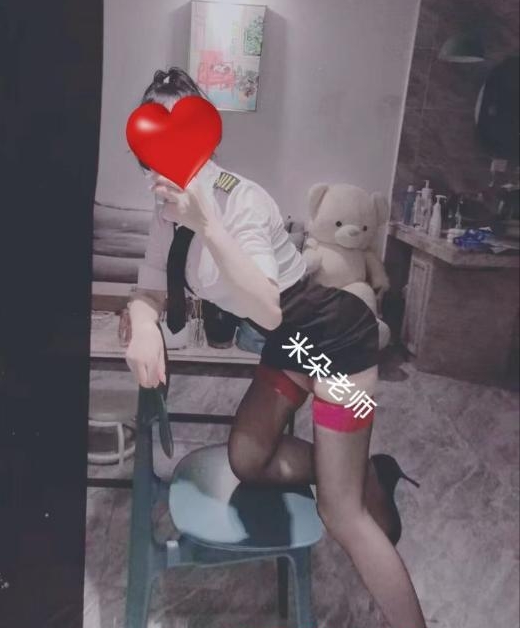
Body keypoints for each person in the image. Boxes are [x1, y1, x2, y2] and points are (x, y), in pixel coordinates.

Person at [125, 66, 427, 628]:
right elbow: (148, 287)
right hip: (290, 347)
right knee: (247, 457)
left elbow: (266, 306)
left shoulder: (241, 200)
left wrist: (207, 224)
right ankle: (365, 472)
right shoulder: (167, 211)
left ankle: (357, 494)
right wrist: (143, 324)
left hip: (336, 344)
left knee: (341, 515)